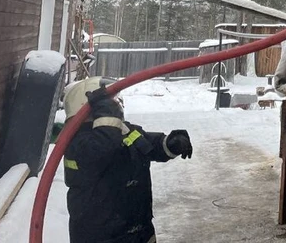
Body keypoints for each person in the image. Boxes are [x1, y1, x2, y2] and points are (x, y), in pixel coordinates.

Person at [62, 77, 193, 243]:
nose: (117, 105)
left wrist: (171, 143)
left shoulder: (120, 131)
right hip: (101, 238)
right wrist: (107, 117)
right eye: (111, 102)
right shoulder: (78, 143)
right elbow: (101, 149)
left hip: (140, 234)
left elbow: (148, 143)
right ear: (89, 107)